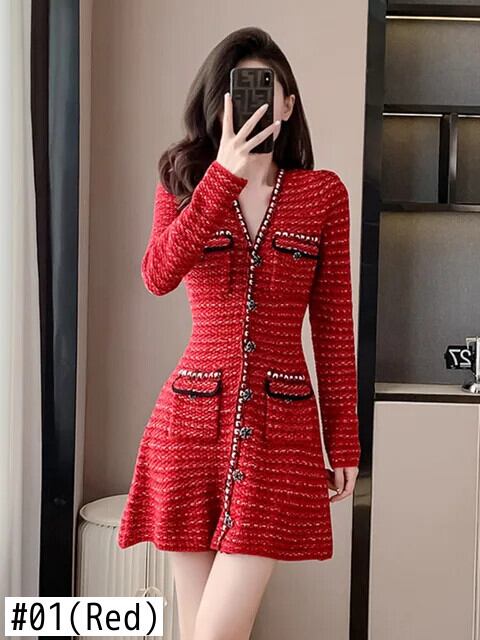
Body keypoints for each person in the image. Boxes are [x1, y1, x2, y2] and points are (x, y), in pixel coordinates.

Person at [117, 26, 361, 640]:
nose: (252, 103)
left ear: (288, 104)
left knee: (217, 632)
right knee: (199, 629)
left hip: (280, 435)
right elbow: (157, 275)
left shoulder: (322, 195)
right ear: (218, 102)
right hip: (188, 428)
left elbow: (333, 325)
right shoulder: (182, 180)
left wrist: (345, 442)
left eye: (265, 90)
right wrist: (222, 177)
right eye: (239, 91)